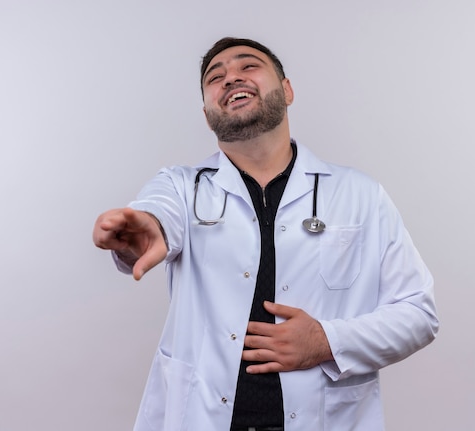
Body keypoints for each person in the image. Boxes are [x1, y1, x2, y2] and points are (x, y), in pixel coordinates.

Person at [93, 37, 439, 431]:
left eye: (248, 66)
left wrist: (327, 340)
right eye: (215, 76)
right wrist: (146, 229)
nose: (230, 78)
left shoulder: (360, 194)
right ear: (207, 114)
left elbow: (419, 313)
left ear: (287, 90)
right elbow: (158, 214)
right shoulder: (180, 187)